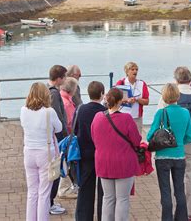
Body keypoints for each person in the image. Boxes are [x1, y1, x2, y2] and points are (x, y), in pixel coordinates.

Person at [158, 66, 191, 219]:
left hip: (172, 144)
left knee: (173, 177)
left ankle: (173, 210)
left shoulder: (168, 95)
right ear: (189, 78)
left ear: (176, 79)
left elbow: (160, 119)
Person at [91, 88, 141, 221]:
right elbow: (136, 140)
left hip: (103, 162)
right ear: (120, 101)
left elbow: (94, 138)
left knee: (108, 198)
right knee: (122, 199)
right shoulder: (127, 118)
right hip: (123, 162)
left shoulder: (97, 117)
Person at [147, 83, 191, 221]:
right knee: (180, 190)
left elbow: (150, 136)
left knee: (165, 191)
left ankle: (166, 218)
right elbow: (189, 136)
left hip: (162, 157)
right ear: (178, 96)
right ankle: (181, 218)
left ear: (164, 97)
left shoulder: (161, 113)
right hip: (179, 155)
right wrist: (178, 143)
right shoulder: (185, 113)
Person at [20, 82, 63, 221]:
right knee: (44, 193)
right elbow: (59, 128)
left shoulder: (23, 110)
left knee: (32, 192)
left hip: (29, 152)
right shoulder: (49, 112)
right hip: (45, 152)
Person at [74, 81, 107, 221]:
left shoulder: (81, 109)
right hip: (101, 153)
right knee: (104, 191)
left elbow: (75, 129)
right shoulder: (104, 112)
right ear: (102, 94)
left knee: (85, 188)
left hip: (85, 152)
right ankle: (103, 215)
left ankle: (83, 217)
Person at [47, 65, 68, 215]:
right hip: (57, 136)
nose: (66, 79)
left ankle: (49, 201)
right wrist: (63, 135)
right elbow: (58, 115)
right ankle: (50, 202)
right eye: (64, 76)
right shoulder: (54, 94)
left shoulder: (49, 91)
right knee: (55, 170)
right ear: (59, 78)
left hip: (54, 136)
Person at [116, 62, 149, 135]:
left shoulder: (142, 84)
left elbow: (147, 101)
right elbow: (115, 100)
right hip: (123, 116)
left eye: (136, 69)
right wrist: (127, 100)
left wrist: (137, 100)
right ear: (127, 71)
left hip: (137, 117)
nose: (135, 71)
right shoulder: (121, 83)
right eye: (132, 69)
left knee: (137, 138)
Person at [59, 76, 79, 198]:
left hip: (66, 136)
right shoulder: (66, 103)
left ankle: (68, 186)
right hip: (67, 136)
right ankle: (63, 189)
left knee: (66, 161)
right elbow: (70, 122)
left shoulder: (64, 99)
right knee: (66, 161)